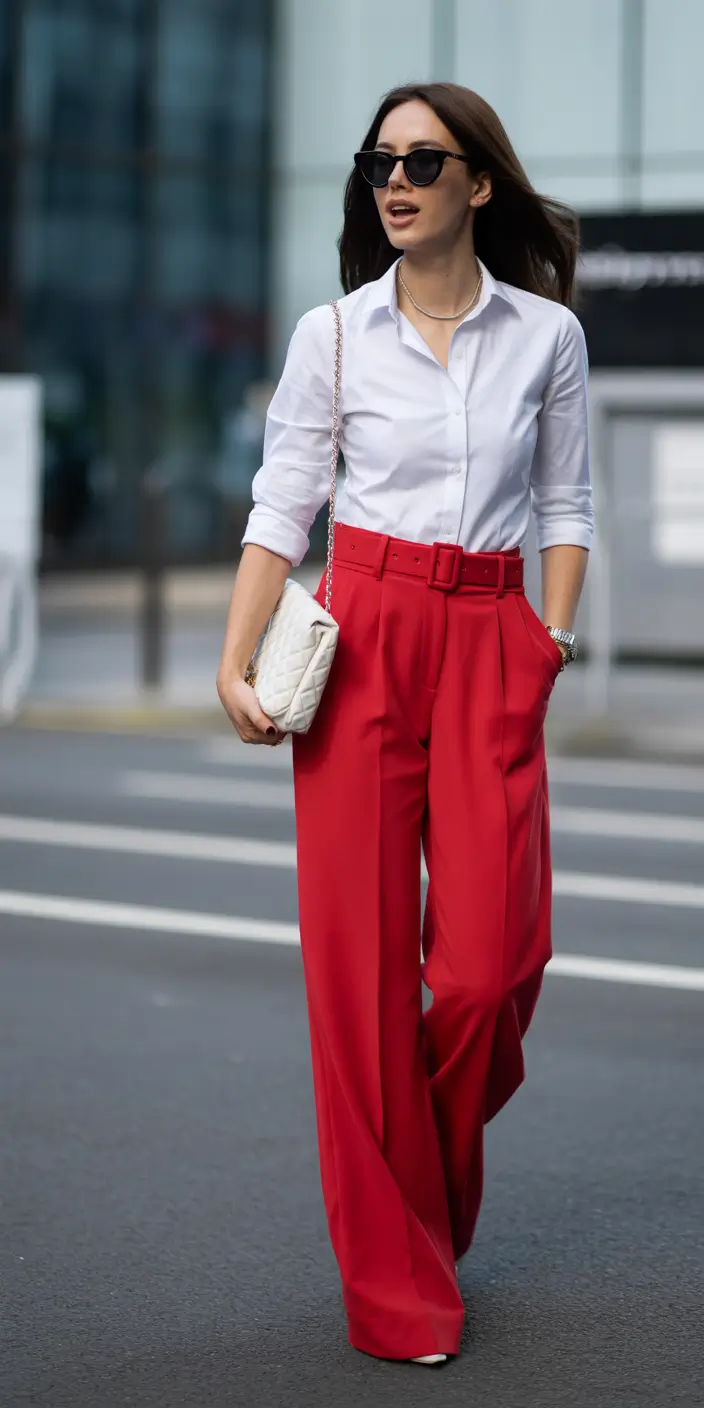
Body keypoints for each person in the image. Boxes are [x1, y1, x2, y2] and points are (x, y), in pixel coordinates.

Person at [216, 81, 593, 1368]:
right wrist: (233, 656)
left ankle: (412, 1185)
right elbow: (283, 504)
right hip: (363, 630)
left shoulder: (545, 336)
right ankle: (394, 1285)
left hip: (490, 636)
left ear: (477, 184)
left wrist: (546, 640)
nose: (395, 181)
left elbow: (566, 503)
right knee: (360, 978)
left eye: (423, 162)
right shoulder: (331, 335)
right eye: (379, 161)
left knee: (492, 970)